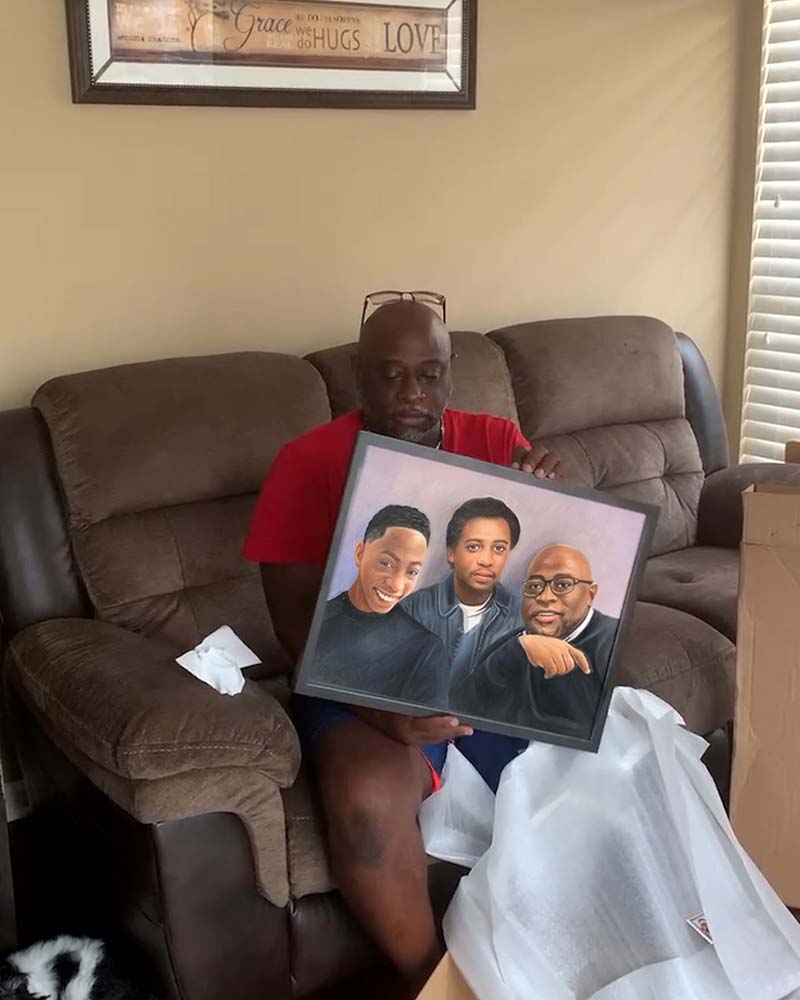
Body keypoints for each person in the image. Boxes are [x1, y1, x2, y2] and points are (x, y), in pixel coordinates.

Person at [243, 292, 561, 994]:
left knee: (608, 762)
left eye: (429, 374)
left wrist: (549, 512)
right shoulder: (306, 463)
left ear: (451, 372)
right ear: (359, 374)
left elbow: (545, 589)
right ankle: (442, 986)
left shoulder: (498, 442)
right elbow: (296, 627)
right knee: (364, 806)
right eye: (389, 375)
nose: (411, 395)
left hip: (486, 665)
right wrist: (380, 710)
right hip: (359, 680)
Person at [451, 544, 618, 737]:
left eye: (563, 585)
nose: (544, 597)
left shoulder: (612, 640)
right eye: (534, 586)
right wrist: (516, 651)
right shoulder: (512, 644)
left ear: (590, 594)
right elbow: (457, 711)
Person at [311, 504, 449, 707]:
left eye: (411, 572)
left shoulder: (426, 649)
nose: (396, 585)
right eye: (386, 564)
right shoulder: (319, 619)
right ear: (360, 553)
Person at [403, 497, 522, 690]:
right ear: (451, 553)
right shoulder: (413, 610)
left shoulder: (522, 620)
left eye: (499, 548)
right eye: (474, 547)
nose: (487, 560)